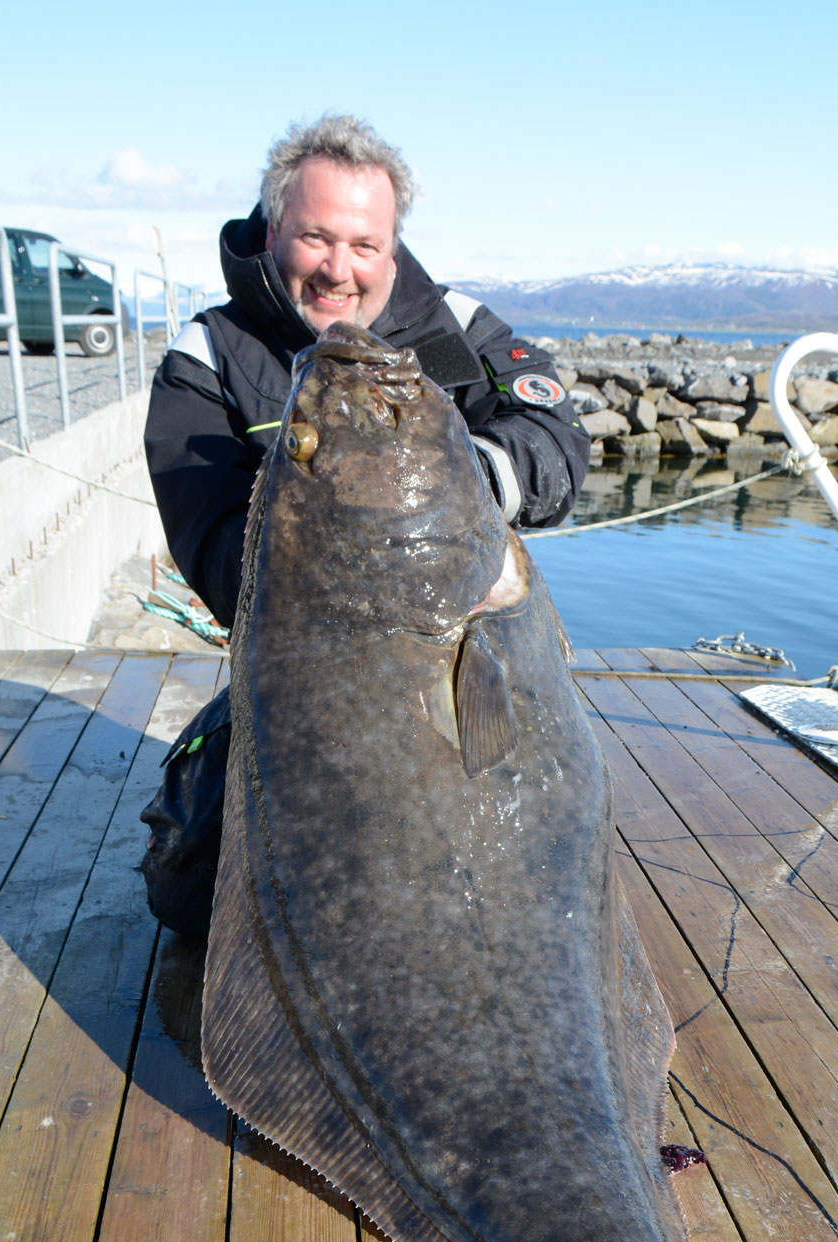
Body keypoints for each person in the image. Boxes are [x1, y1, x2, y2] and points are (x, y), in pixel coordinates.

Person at [140, 113, 588, 935]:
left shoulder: (456, 329)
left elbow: (556, 438)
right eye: (316, 238)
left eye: (364, 244)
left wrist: (470, 483)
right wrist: (354, 532)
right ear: (275, 230)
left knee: (549, 846)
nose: (339, 270)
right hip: (314, 678)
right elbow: (209, 544)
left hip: (477, 643)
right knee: (191, 883)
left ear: (392, 245)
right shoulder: (212, 354)